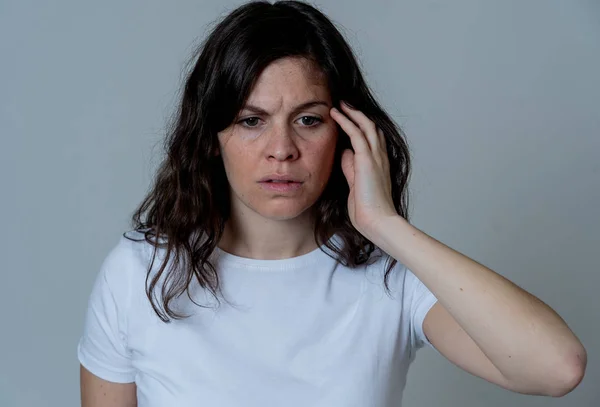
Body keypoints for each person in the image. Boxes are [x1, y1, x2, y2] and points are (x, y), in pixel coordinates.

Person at [77, 1, 587, 406]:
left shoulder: (390, 276)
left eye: (308, 119)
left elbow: (557, 368)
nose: (282, 149)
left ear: (347, 132)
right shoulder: (141, 273)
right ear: (213, 136)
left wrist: (385, 225)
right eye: (252, 120)